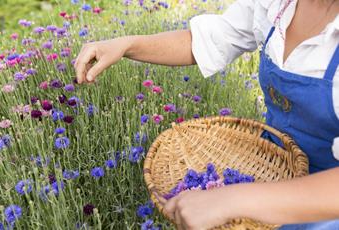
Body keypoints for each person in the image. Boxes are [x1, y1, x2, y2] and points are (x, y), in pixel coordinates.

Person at [75, 0, 339, 229]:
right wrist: (126, 45)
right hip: (272, 169)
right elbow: (211, 39)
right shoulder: (277, 5)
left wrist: (234, 200)